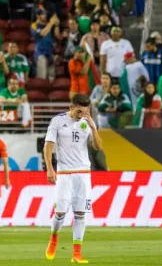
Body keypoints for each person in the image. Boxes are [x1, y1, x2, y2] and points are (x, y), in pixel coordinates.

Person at [44, 94, 102, 263]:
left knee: (80, 213)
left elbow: (98, 146)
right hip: (64, 173)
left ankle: (77, 253)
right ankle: (54, 238)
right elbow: (48, 146)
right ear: (71, 107)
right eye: (79, 111)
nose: (81, 115)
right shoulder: (57, 121)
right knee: (60, 211)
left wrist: (94, 128)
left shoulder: (87, 122)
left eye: (85, 111)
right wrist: (50, 168)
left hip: (83, 173)